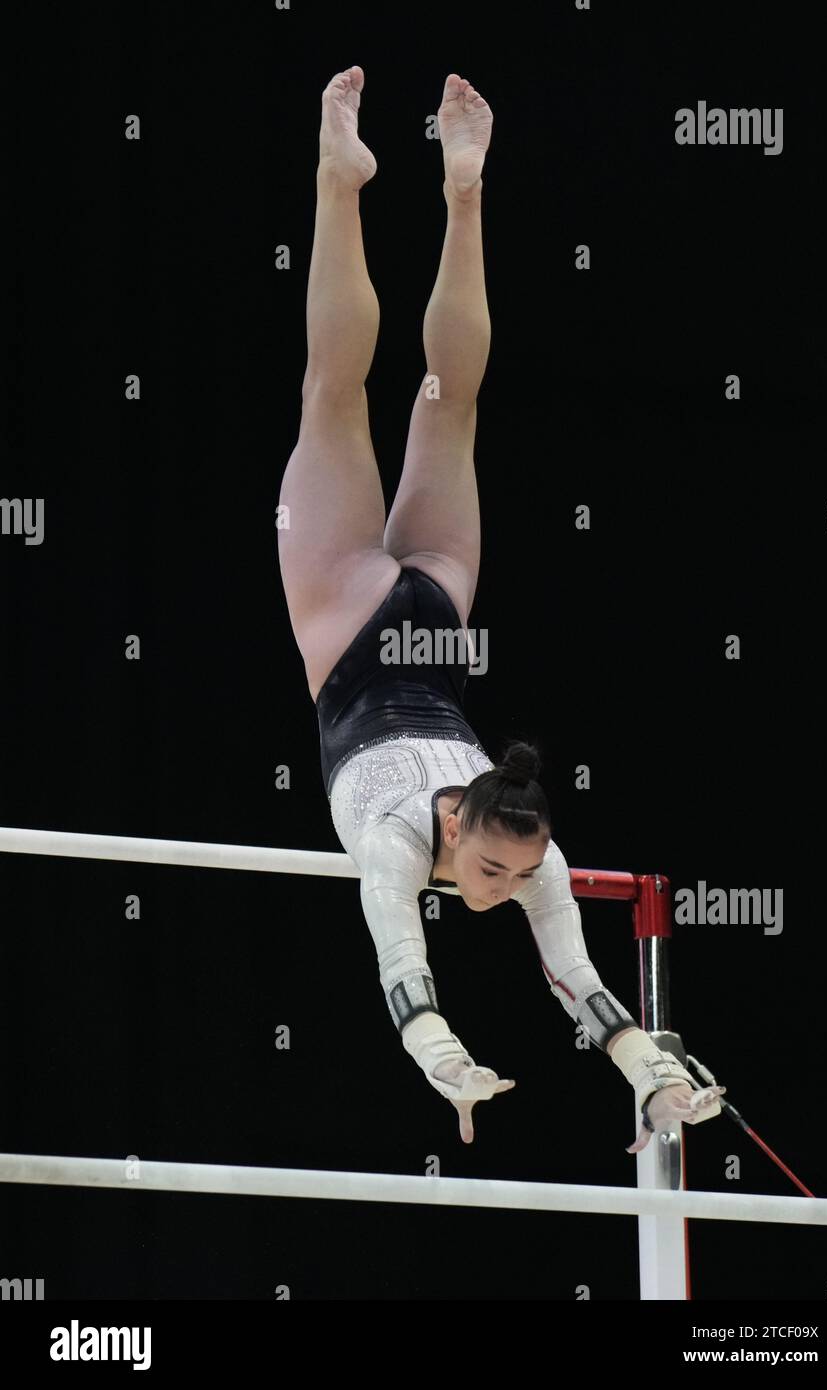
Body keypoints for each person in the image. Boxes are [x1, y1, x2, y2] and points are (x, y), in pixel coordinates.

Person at [277, 66, 725, 1145]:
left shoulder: (476, 840)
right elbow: (433, 960)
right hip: (354, 618)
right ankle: (407, 189)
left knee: (422, 400)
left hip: (433, 609)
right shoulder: (407, 836)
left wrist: (644, 1073)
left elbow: (552, 972)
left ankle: (435, 188)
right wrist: (452, 1055)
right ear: (457, 817)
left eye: (514, 875)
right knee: (367, 396)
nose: (506, 886)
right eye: (499, 871)